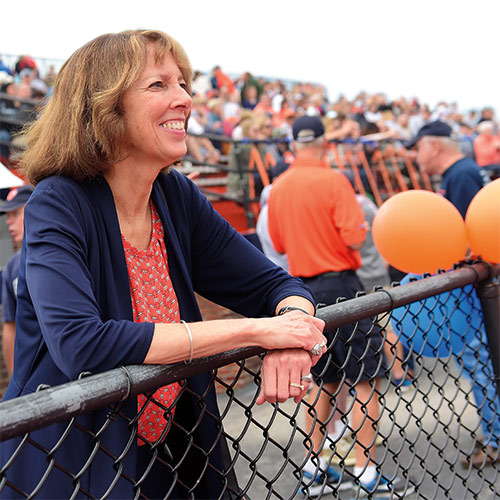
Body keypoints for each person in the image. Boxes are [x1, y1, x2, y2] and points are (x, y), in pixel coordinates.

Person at [0, 30, 329, 500]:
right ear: (103, 108)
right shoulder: (59, 200)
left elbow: (274, 283)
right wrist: (259, 333)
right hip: (70, 466)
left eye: (183, 84)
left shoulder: (175, 196)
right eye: (159, 85)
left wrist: (294, 327)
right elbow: (80, 342)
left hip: (169, 461)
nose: (184, 99)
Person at [267, 116, 409, 497]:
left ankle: (315, 467)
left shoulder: (277, 188)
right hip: (344, 287)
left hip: (305, 296)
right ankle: (364, 472)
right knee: (366, 381)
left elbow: (279, 245)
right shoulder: (334, 180)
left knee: (324, 381)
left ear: (294, 144)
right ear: (325, 142)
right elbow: (354, 234)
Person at [410, 119, 500, 466]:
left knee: (481, 361)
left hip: (475, 289)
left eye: (418, 148)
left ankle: (494, 439)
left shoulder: (460, 174)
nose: (416, 157)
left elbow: (467, 239)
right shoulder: (463, 171)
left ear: (433, 146)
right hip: (480, 286)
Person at [0, 184, 33, 377]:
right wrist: (15, 377)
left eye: (15, 214)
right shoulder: (12, 266)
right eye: (7, 215)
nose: (8, 222)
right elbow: (10, 325)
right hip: (31, 374)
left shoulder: (62, 252)